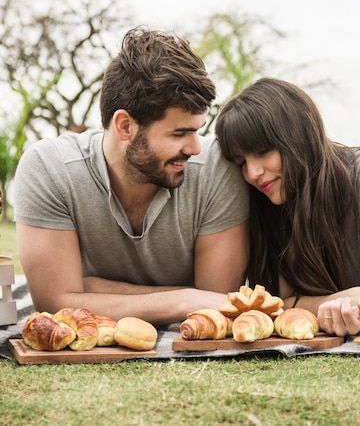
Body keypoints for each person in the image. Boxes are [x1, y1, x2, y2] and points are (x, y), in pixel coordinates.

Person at [13, 26, 249, 325]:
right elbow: (54, 303)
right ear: (125, 126)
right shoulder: (49, 168)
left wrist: (89, 289)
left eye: (198, 131)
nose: (195, 148)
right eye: (180, 133)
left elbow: (217, 301)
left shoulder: (217, 167)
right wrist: (186, 298)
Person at [215, 77, 360, 337]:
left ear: (297, 138)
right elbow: (276, 306)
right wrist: (342, 300)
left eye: (263, 152)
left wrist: (337, 307)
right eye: (241, 161)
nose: (253, 173)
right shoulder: (264, 203)